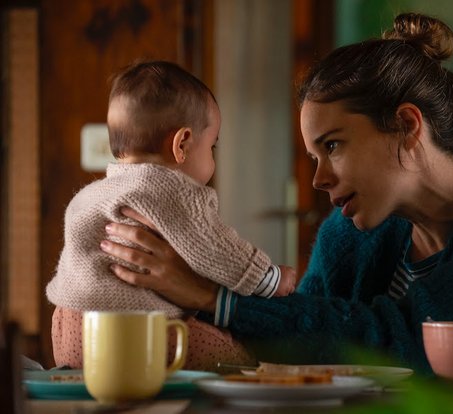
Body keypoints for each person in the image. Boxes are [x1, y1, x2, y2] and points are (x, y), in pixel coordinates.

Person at [98, 14, 453, 375]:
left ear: (405, 125)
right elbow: (304, 343)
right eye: (314, 156)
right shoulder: (346, 233)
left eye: (332, 146)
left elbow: (412, 343)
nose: (318, 179)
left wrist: (209, 295)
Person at [46, 60, 296, 368]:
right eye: (212, 147)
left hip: (67, 330)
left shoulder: (89, 196)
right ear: (182, 144)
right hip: (132, 330)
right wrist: (268, 278)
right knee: (238, 358)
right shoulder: (171, 191)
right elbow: (216, 249)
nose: (213, 159)